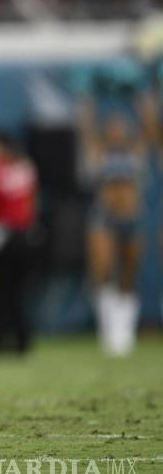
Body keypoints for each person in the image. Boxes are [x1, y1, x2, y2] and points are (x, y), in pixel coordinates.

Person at [77, 91, 151, 357]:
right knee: (104, 270)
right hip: (105, 217)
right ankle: (108, 329)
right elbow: (86, 131)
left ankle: (126, 329)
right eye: (112, 125)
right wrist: (87, 102)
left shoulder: (137, 152)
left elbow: (149, 129)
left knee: (129, 272)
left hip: (132, 217)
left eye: (121, 125)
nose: (116, 129)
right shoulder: (98, 152)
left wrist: (144, 100)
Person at [0, 130, 39, 355]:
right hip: (24, 236)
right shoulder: (27, 169)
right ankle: (22, 341)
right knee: (20, 293)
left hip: (0, 236)